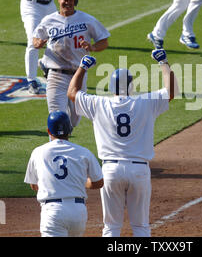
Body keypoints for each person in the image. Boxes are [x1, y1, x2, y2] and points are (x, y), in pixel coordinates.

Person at [67, 49, 179, 237]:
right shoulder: (145, 102)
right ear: (131, 86)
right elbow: (171, 91)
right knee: (141, 226)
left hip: (110, 171)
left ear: (111, 86)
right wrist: (163, 62)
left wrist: (83, 67)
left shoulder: (99, 104)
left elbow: (72, 92)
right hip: (139, 170)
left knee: (111, 227)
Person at [33, 0, 110, 128]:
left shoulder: (87, 20)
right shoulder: (49, 20)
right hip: (56, 75)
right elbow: (36, 38)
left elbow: (104, 41)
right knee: (57, 119)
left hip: (78, 75)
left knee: (74, 121)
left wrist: (92, 47)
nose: (67, 2)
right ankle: (57, 147)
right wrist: (38, 43)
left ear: (75, 1)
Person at [24, 110, 104, 237]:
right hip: (78, 212)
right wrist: (81, 182)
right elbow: (99, 182)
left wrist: (53, 185)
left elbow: (34, 185)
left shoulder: (38, 152)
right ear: (70, 130)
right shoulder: (84, 152)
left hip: (53, 212)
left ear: (49, 131)